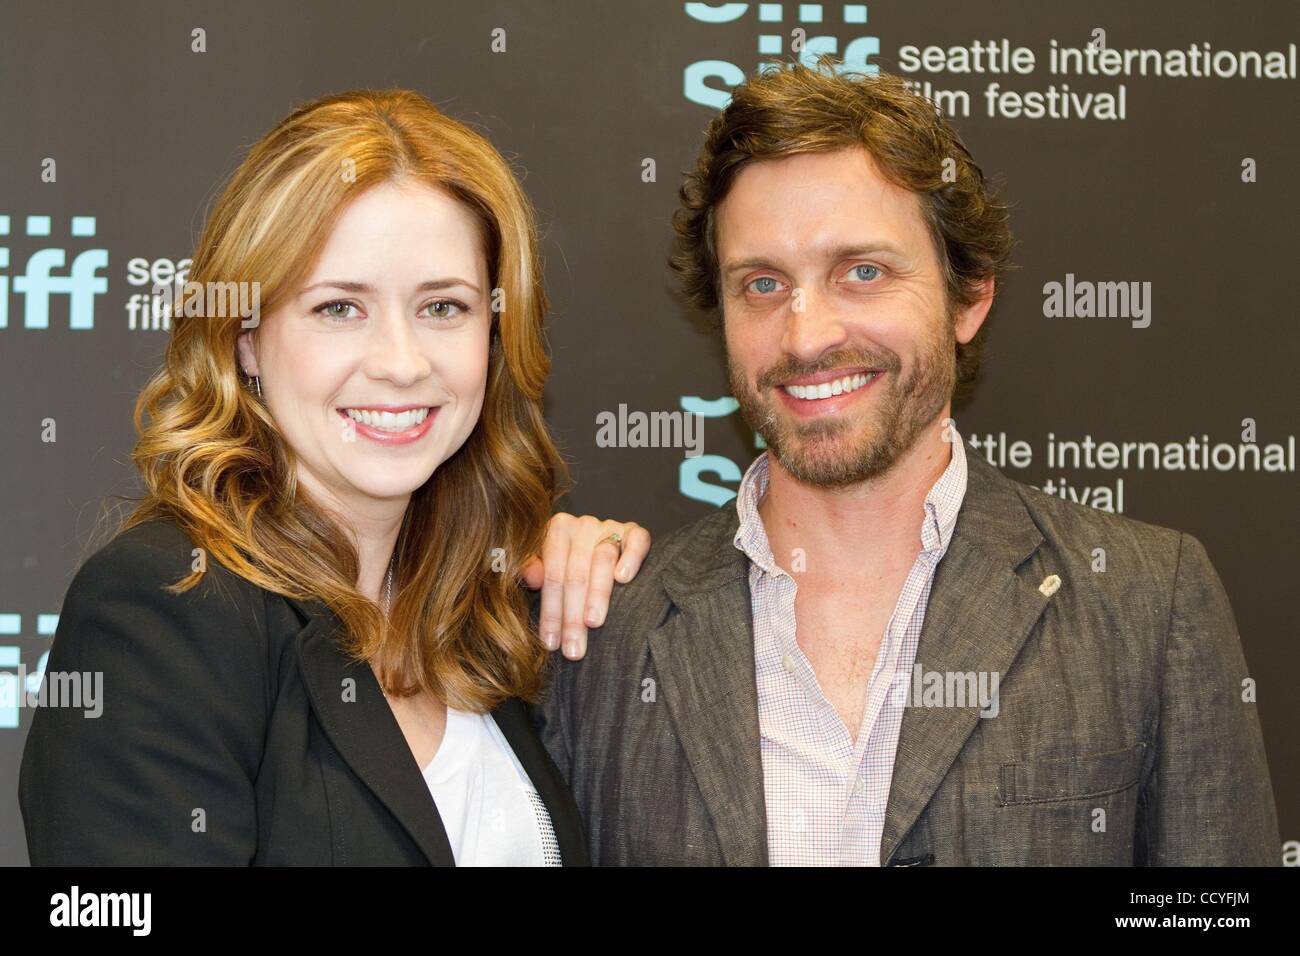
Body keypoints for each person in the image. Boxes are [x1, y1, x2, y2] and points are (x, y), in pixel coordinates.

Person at [534, 61, 1281, 866]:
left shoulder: (1145, 600)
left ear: (970, 297)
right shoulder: (601, 632)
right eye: (762, 283)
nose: (806, 335)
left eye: (863, 272)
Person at [19, 89, 649, 866]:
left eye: (443, 307)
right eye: (340, 308)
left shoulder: (488, 622)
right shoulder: (167, 607)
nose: (401, 361)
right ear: (245, 338)